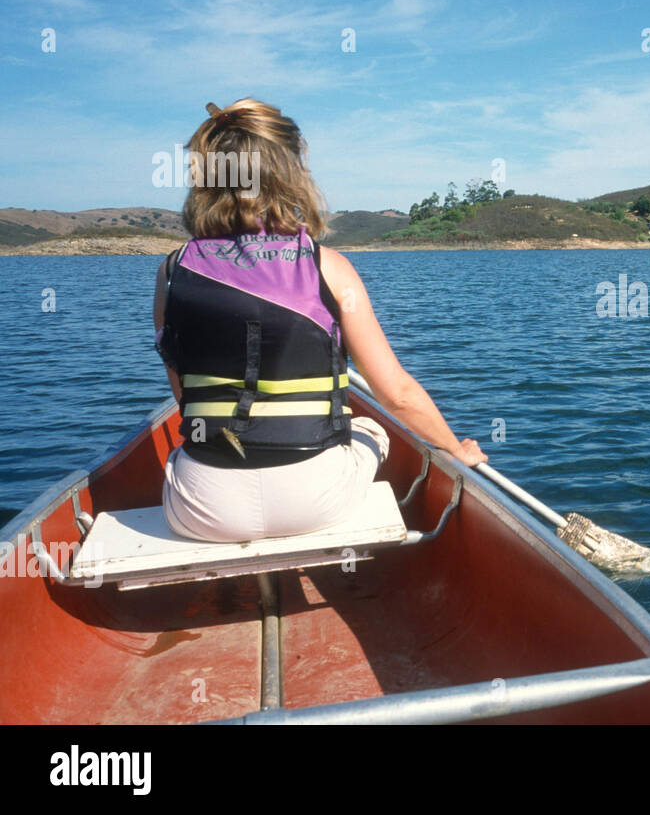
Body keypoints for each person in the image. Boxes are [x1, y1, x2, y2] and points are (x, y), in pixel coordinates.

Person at [153, 98, 486, 543]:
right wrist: (456, 449)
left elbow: (183, 392)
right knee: (371, 426)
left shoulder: (172, 272)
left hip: (203, 512)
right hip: (314, 502)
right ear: (288, 173)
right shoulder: (327, 266)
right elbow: (399, 395)